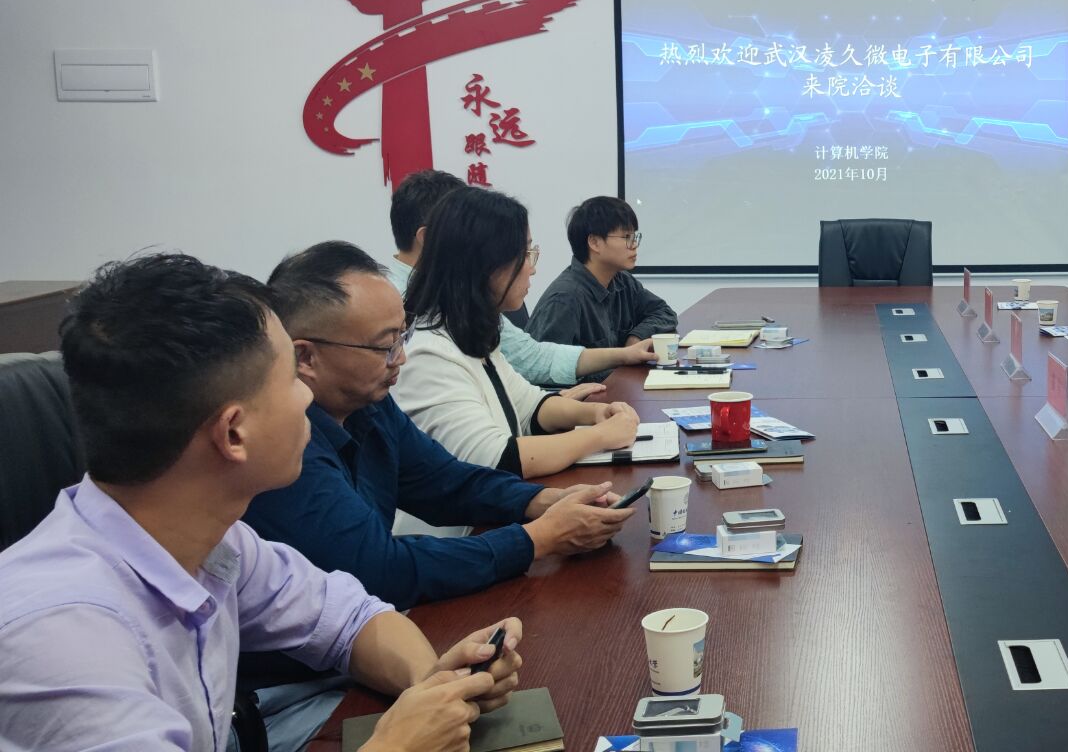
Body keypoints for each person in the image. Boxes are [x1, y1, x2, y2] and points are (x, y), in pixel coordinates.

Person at [0, 254, 522, 752]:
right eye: (289, 378)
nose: (307, 396)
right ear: (233, 433)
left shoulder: (216, 540)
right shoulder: (66, 643)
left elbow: (352, 619)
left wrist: (432, 685)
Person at [248, 240, 637, 611]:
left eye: (402, 335)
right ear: (305, 358)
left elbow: (443, 481)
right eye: (385, 346)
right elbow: (378, 569)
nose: (401, 357)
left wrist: (542, 501)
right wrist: (539, 538)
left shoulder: (369, 404)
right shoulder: (285, 444)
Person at [392, 188, 643, 479]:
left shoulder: (471, 332)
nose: (532, 269)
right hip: (473, 508)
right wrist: (600, 436)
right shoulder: (429, 352)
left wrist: (594, 414)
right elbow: (495, 457)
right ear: (483, 264)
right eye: (524, 254)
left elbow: (528, 405)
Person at [388, 171, 653, 387]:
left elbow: (530, 360)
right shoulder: (402, 315)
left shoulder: (461, 302)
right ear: (430, 238)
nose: (531, 269)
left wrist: (624, 355)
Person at [528, 196, 678, 355]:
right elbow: (546, 365)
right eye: (626, 237)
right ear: (594, 243)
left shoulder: (622, 281)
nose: (634, 245)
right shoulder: (565, 299)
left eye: (635, 237)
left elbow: (664, 313)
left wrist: (636, 337)